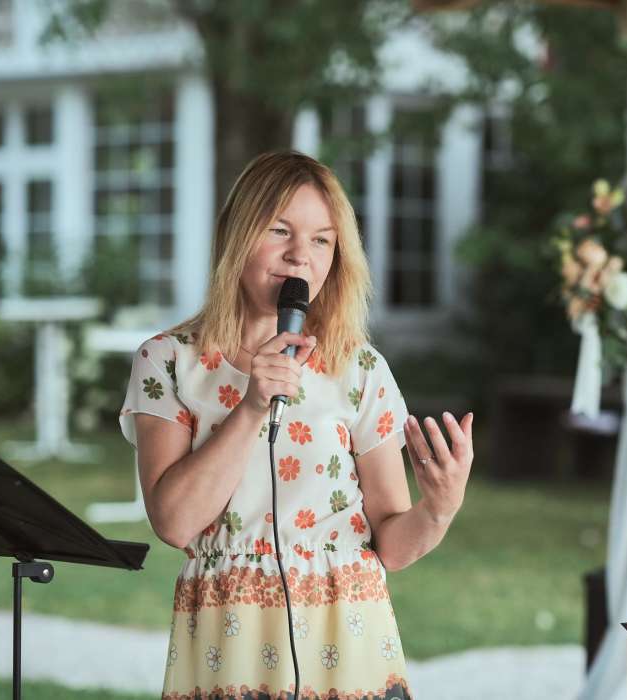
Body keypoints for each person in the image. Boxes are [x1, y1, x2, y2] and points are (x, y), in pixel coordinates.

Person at [118, 150, 473, 700]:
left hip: (347, 631)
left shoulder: (360, 368)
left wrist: (440, 508)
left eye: (322, 240)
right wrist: (251, 407)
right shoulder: (167, 361)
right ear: (237, 235)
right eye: (279, 231)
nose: (299, 256)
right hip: (229, 634)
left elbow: (393, 547)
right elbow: (175, 523)